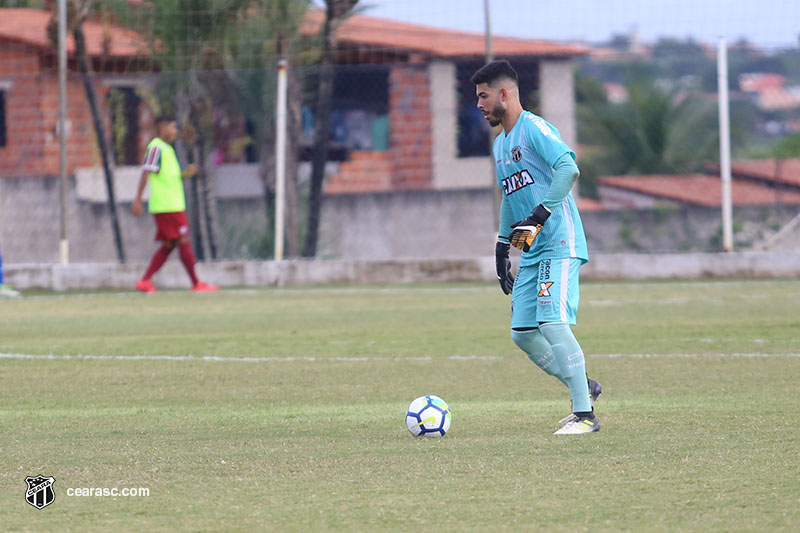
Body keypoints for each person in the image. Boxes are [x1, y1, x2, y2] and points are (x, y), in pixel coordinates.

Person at [472, 60, 601, 435]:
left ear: (504, 94)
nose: (478, 105)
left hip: (559, 242)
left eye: (483, 96)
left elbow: (568, 169)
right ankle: (585, 387)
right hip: (531, 250)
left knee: (551, 321)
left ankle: (585, 416)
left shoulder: (535, 128)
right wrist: (501, 246)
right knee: (523, 332)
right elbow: (510, 198)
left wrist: (541, 214)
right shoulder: (500, 145)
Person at [131, 115, 218, 293]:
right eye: (173, 127)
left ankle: (145, 281)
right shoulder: (156, 147)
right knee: (183, 241)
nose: (175, 131)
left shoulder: (167, 149)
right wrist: (138, 199)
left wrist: (186, 174)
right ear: (162, 127)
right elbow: (146, 172)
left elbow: (170, 177)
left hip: (171, 205)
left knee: (169, 245)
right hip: (167, 206)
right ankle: (196, 283)